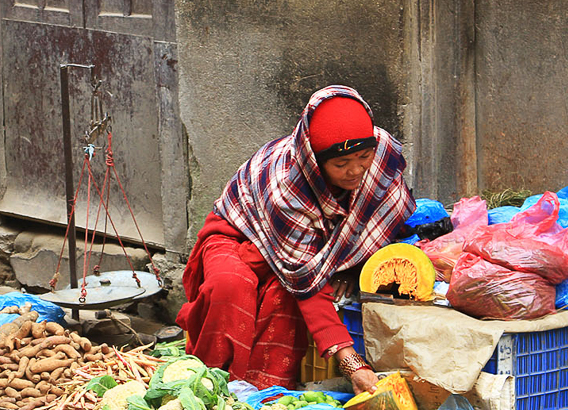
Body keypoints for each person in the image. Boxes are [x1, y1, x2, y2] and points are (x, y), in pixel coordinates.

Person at [177, 86, 415, 393]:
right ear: (315, 162)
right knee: (230, 287)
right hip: (239, 235)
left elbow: (377, 218)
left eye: (364, 157)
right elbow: (307, 286)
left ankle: (266, 394)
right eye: (341, 165)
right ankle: (212, 386)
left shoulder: (379, 153)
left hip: (302, 248)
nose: (356, 170)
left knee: (282, 297)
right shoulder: (289, 191)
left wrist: (352, 267)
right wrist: (351, 361)